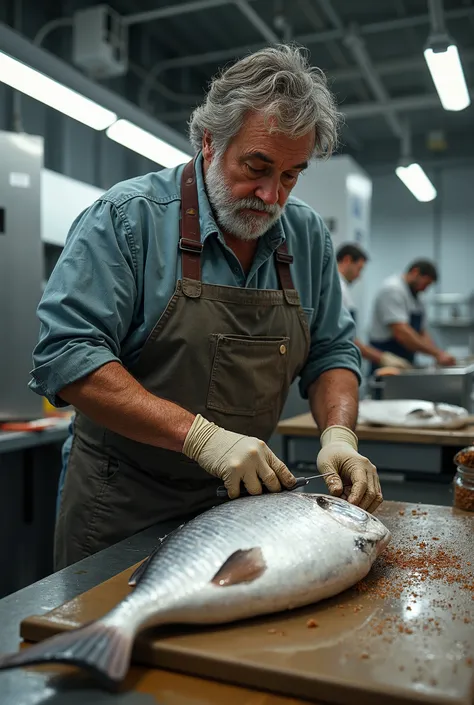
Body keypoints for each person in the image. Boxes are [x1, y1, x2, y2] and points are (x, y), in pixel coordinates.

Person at [30, 45, 383, 570]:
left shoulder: (306, 236)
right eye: (256, 167)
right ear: (210, 141)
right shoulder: (128, 219)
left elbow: (332, 351)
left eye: (290, 176)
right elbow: (68, 357)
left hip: (244, 507)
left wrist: (339, 433)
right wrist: (201, 439)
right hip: (122, 503)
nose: (271, 195)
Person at [369, 259, 456, 371]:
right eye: (425, 284)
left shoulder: (417, 295)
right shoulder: (392, 289)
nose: (425, 289)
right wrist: (436, 353)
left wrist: (438, 355)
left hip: (406, 359)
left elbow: (422, 332)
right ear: (415, 272)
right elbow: (402, 333)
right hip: (387, 359)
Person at [336, 243, 410, 370]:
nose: (359, 276)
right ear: (347, 260)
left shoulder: (341, 288)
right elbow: (344, 337)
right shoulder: (338, 289)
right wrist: (382, 358)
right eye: (359, 269)